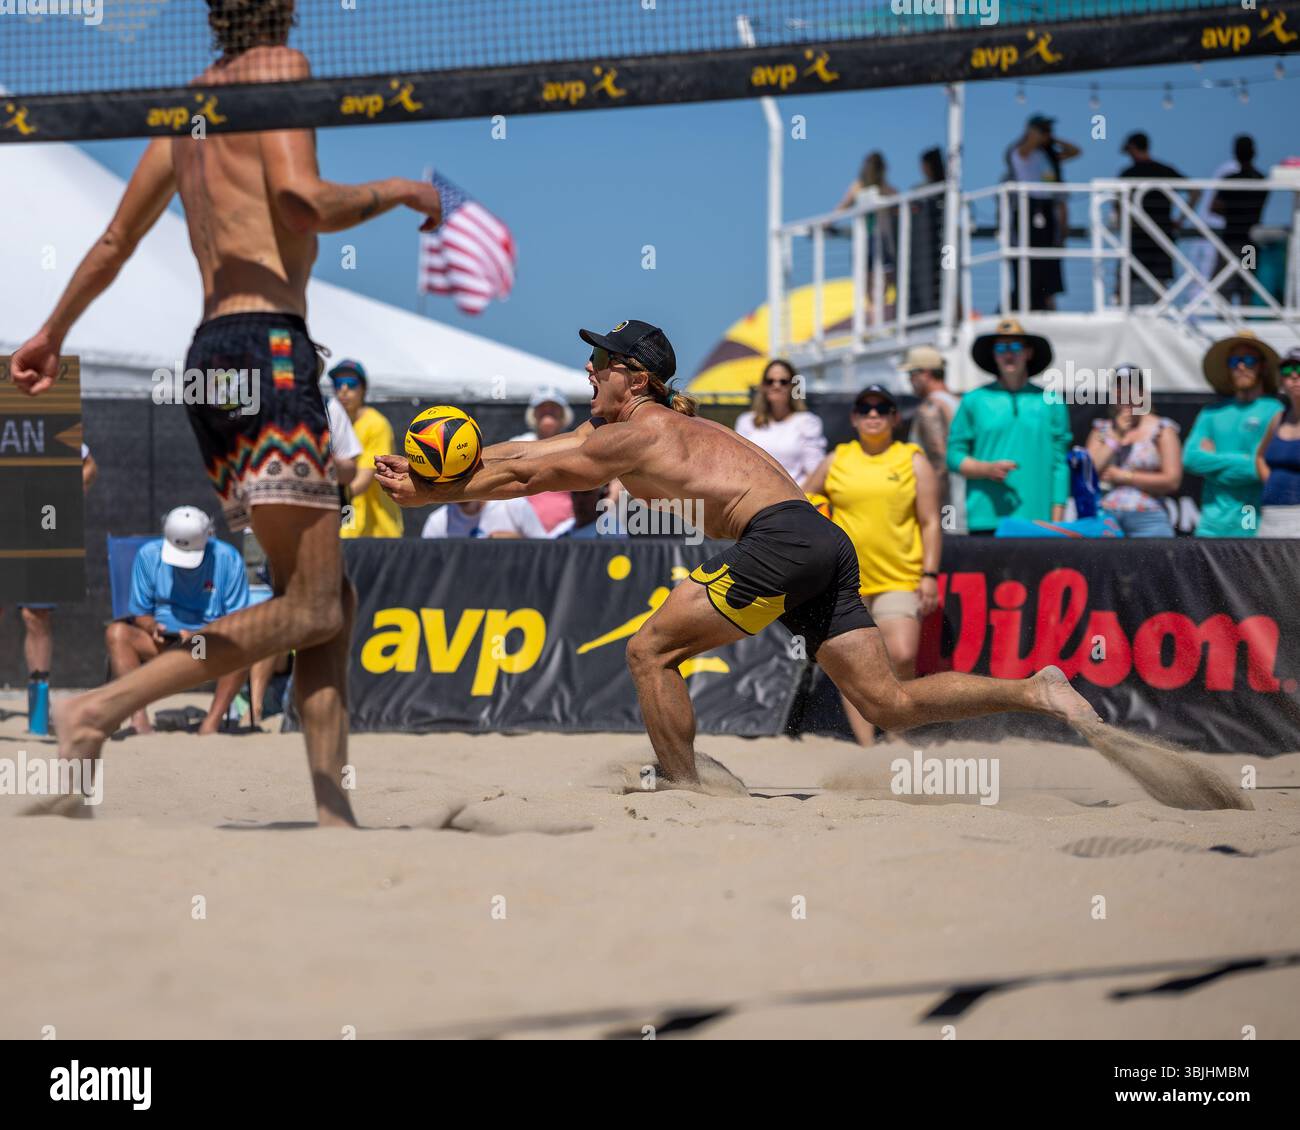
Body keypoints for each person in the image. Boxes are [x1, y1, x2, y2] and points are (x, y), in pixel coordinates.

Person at [10, 0, 443, 823]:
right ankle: (96, 710)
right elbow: (302, 203)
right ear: (281, 9)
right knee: (315, 605)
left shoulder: (188, 110)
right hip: (268, 349)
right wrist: (401, 188)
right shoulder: (281, 69)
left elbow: (113, 242)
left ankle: (331, 813)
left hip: (209, 360)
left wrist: (50, 333)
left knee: (324, 604)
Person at [375, 318, 1098, 791]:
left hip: (781, 540)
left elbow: (533, 471)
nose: (588, 368)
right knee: (891, 704)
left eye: (601, 360)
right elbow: (533, 450)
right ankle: (1034, 689)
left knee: (648, 651)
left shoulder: (642, 431)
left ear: (638, 377)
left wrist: (429, 489)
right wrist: (435, 478)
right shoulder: (643, 426)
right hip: (820, 541)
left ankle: (685, 789)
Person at [802, 385, 940, 746]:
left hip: (900, 575)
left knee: (902, 654)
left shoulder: (912, 459)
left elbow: (930, 522)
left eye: (882, 408)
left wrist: (930, 575)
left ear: (895, 417)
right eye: (865, 408)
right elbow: (802, 501)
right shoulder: (837, 459)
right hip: (845, 581)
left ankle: (897, 735)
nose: (873, 414)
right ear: (854, 417)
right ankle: (867, 748)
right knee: (852, 666)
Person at [107, 507, 250, 736]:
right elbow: (140, 612)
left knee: (246, 643)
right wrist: (152, 627)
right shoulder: (148, 555)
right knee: (117, 633)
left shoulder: (228, 558)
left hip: (208, 648)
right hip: (164, 644)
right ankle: (139, 720)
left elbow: (237, 620)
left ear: (209, 536)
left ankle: (210, 725)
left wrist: (203, 637)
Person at [0, 443, 98, 735]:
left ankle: (39, 712)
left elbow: (89, 465)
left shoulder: (44, 422)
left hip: (39, 531)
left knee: (36, 615)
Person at [947, 319, 1071, 534]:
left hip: (1039, 521)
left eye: (1015, 347)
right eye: (1001, 348)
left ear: (1028, 353)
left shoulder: (1052, 400)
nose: (1008, 354)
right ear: (994, 355)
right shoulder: (973, 400)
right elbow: (953, 456)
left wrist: (1057, 522)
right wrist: (985, 469)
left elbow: (1060, 465)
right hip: (986, 519)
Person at [1184, 331, 1283, 537]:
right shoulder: (1211, 413)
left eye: (1248, 360)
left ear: (1262, 366)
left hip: (1250, 521)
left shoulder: (1273, 410)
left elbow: (1259, 469)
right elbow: (1190, 459)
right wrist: (1245, 459)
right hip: (1210, 525)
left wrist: (1214, 463)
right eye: (1234, 360)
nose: (1241, 366)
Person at [1084, 364, 1183, 537]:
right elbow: (1087, 473)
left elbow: (1172, 480)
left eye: (1132, 386)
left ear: (1143, 393)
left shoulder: (1162, 429)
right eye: (1119, 387)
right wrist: (1116, 437)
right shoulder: (1101, 430)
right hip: (1105, 515)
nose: (1125, 393)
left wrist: (1125, 477)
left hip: (1148, 518)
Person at [1005, 115, 1079, 311]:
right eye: (1044, 130)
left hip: (1048, 211)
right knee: (1029, 263)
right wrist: (1034, 134)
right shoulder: (1020, 152)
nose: (1047, 134)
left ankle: (1048, 303)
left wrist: (1053, 140)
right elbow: (1026, 147)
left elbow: (1075, 151)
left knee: (1048, 264)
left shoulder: (1048, 155)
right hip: (1028, 209)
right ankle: (1027, 303)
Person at [330, 359, 403, 539]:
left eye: (351, 384)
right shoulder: (335, 424)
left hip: (379, 531)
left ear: (363, 389)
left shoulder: (376, 424)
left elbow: (362, 480)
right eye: (338, 385)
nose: (344, 390)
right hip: (349, 525)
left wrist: (325, 499)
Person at [1117, 131, 1189, 304]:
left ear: (1133, 148)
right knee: (1160, 283)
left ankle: (1125, 308)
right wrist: (1181, 219)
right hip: (1162, 233)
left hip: (1138, 235)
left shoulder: (1128, 173)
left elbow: (1118, 204)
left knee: (1128, 279)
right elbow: (1195, 190)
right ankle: (1161, 312)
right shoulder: (1164, 170)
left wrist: (1123, 222)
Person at [733, 359, 827, 484]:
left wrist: (799, 500)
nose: (776, 385)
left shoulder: (807, 422)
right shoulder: (746, 421)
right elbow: (738, 467)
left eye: (783, 382)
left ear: (793, 386)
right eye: (770, 381)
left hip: (796, 497)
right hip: (754, 497)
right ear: (763, 386)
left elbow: (815, 472)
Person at [508, 386, 577, 534]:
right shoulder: (518, 444)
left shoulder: (576, 446)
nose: (548, 411)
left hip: (569, 533)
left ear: (564, 414)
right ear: (533, 414)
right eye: (542, 407)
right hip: (523, 535)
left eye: (554, 407)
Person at [1209, 136, 1269, 305]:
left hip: (1231, 241)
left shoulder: (1230, 180)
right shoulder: (1261, 179)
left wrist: (1231, 210)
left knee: (1224, 284)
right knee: (1246, 283)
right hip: (1249, 243)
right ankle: (1245, 317)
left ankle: (1225, 318)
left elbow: (1214, 207)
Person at [903, 345, 960, 522]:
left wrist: (935, 510)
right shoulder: (958, 402)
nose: (909, 380)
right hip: (960, 499)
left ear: (925, 374)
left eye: (911, 374)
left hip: (946, 504)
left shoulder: (931, 407)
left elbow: (939, 460)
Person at [1255, 347, 1300, 538]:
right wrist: (1272, 482)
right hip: (1271, 514)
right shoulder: (1279, 418)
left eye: (1299, 370)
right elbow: (1260, 457)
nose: (1294, 376)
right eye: (1287, 371)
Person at [908, 147, 946, 318]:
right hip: (944, 246)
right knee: (948, 279)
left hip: (942, 247)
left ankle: (945, 312)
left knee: (947, 277)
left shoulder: (937, 190)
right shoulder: (946, 189)